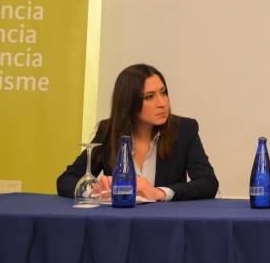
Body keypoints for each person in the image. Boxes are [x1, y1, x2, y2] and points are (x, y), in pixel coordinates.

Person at [57, 64, 218, 201]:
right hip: (117, 224)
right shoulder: (109, 131)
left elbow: (208, 183)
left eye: (163, 92)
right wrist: (93, 191)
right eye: (149, 97)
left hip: (164, 224)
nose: (162, 103)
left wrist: (160, 193)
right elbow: (66, 180)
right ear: (129, 102)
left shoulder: (184, 129)